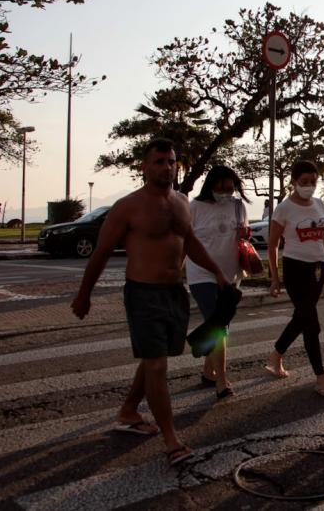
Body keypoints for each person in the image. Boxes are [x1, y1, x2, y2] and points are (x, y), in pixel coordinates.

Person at [71, 138, 228, 467]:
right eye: (158, 161)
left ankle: (129, 410)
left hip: (174, 292)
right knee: (157, 364)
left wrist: (217, 272)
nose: (166, 167)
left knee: (153, 358)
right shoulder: (128, 207)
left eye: (171, 161)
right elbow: (100, 253)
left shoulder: (182, 202)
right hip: (143, 292)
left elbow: (191, 243)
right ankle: (171, 440)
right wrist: (84, 294)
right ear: (143, 167)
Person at [264, 160, 324, 397]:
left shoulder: (318, 204)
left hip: (318, 267)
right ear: (294, 182)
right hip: (296, 268)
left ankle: (276, 356)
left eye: (313, 182)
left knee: (301, 317)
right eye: (304, 182)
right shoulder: (284, 208)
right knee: (311, 323)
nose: (309, 186)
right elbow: (273, 244)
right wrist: (275, 278)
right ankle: (321, 378)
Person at [186, 165, 249, 399]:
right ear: (211, 185)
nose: (226, 192)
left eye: (231, 188)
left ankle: (207, 371)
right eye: (221, 188)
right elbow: (187, 240)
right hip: (201, 274)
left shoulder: (237, 206)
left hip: (230, 275)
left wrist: (244, 234)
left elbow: (242, 235)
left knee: (221, 324)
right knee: (218, 326)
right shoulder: (195, 207)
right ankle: (222, 381)